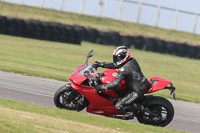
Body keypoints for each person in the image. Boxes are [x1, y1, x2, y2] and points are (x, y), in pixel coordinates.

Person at [94, 46, 150, 112]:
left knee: (119, 106)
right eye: (115, 57)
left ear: (123, 57)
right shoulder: (132, 60)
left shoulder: (124, 69)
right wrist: (101, 64)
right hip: (141, 83)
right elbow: (115, 65)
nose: (116, 59)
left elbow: (116, 84)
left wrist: (101, 87)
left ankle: (139, 109)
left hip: (137, 90)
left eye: (118, 57)